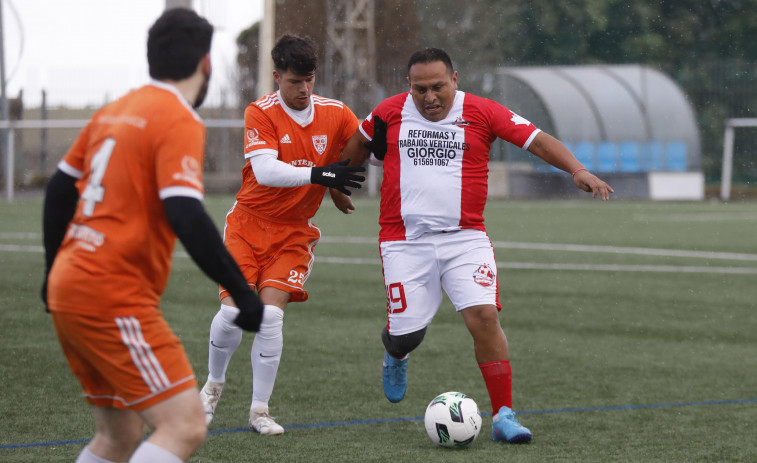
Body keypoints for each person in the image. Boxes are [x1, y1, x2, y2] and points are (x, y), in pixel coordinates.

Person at [334, 48, 614, 444]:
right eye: (420, 89)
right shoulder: (390, 111)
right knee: (407, 336)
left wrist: (577, 169)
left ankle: (503, 415)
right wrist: (338, 188)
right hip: (404, 242)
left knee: (484, 316)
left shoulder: (483, 111)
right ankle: (395, 354)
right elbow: (357, 144)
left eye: (437, 87)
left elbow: (535, 140)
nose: (429, 97)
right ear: (408, 87)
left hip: (466, 239)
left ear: (455, 80)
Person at [41, 9, 265, 463]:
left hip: (71, 285)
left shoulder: (114, 110)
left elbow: (60, 189)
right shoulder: (177, 117)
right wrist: (243, 292)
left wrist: (52, 271)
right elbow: (185, 213)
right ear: (206, 64)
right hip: (112, 293)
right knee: (183, 425)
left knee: (119, 434)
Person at [198, 34, 365, 435]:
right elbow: (267, 171)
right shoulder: (261, 112)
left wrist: (340, 185)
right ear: (277, 77)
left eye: (309, 79)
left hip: (293, 234)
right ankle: (211, 387)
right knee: (235, 313)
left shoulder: (336, 113)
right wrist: (324, 176)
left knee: (270, 316)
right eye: (294, 81)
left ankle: (259, 411)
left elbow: (365, 146)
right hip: (248, 225)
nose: (304, 89)